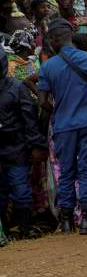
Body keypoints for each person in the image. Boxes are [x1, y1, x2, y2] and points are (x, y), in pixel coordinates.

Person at [37, 19, 87, 233]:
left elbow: (42, 101)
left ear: (54, 39)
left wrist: (58, 111)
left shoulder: (48, 66)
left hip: (63, 126)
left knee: (66, 171)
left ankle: (67, 220)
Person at [0, 53, 46, 239]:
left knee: (20, 189)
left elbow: (30, 119)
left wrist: (36, 145)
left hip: (15, 147)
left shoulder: (17, 88)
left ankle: (25, 227)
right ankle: (4, 229)